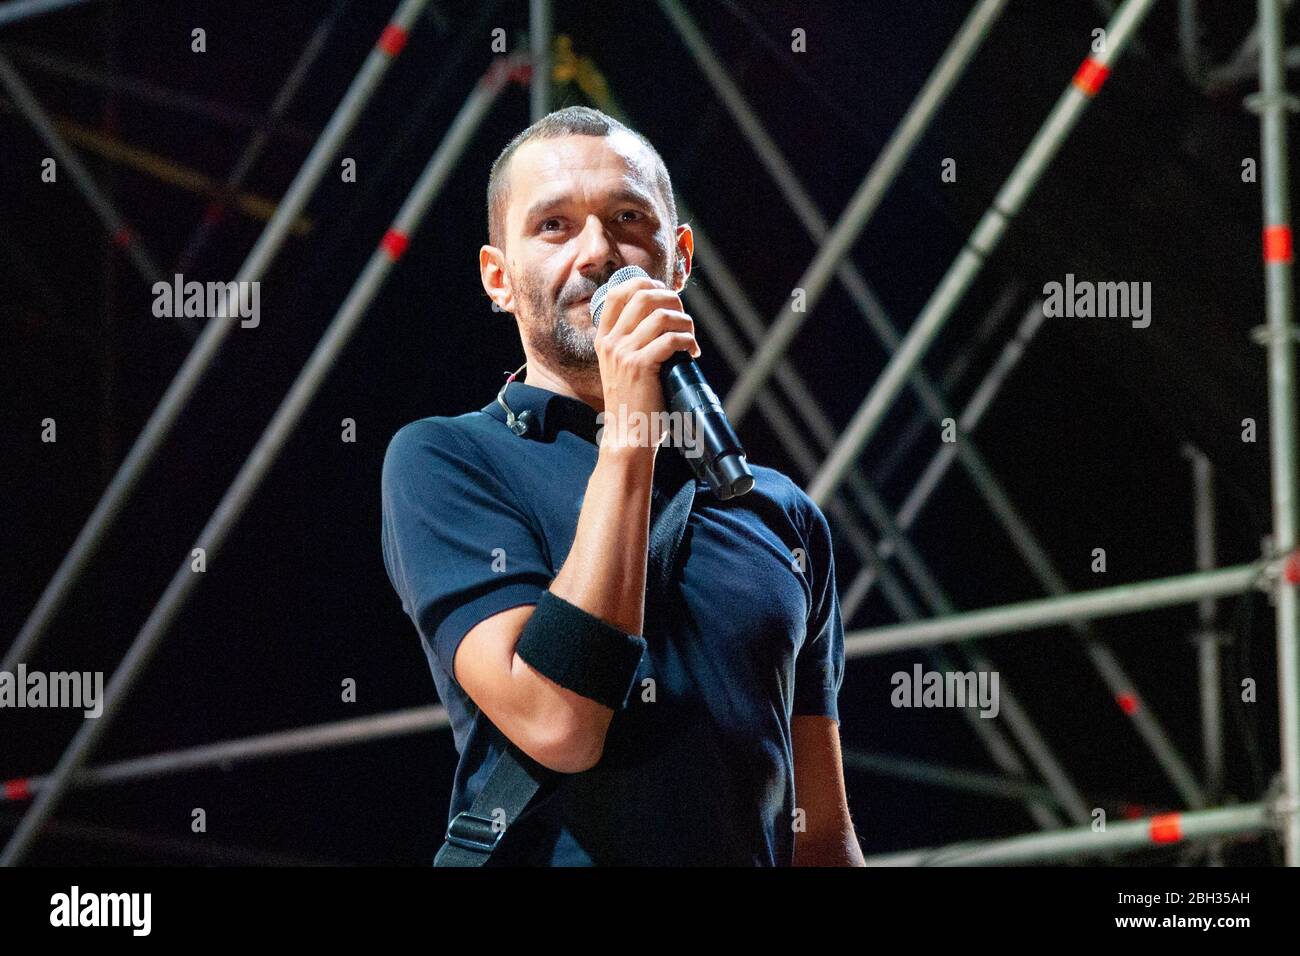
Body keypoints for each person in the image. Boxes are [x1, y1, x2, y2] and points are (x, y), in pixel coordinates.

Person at [381, 106, 863, 865]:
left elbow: (824, 836)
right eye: (554, 226)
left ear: (679, 258)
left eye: (628, 217)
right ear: (498, 279)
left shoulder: (779, 513)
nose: (599, 251)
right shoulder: (446, 460)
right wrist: (633, 430)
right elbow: (557, 722)